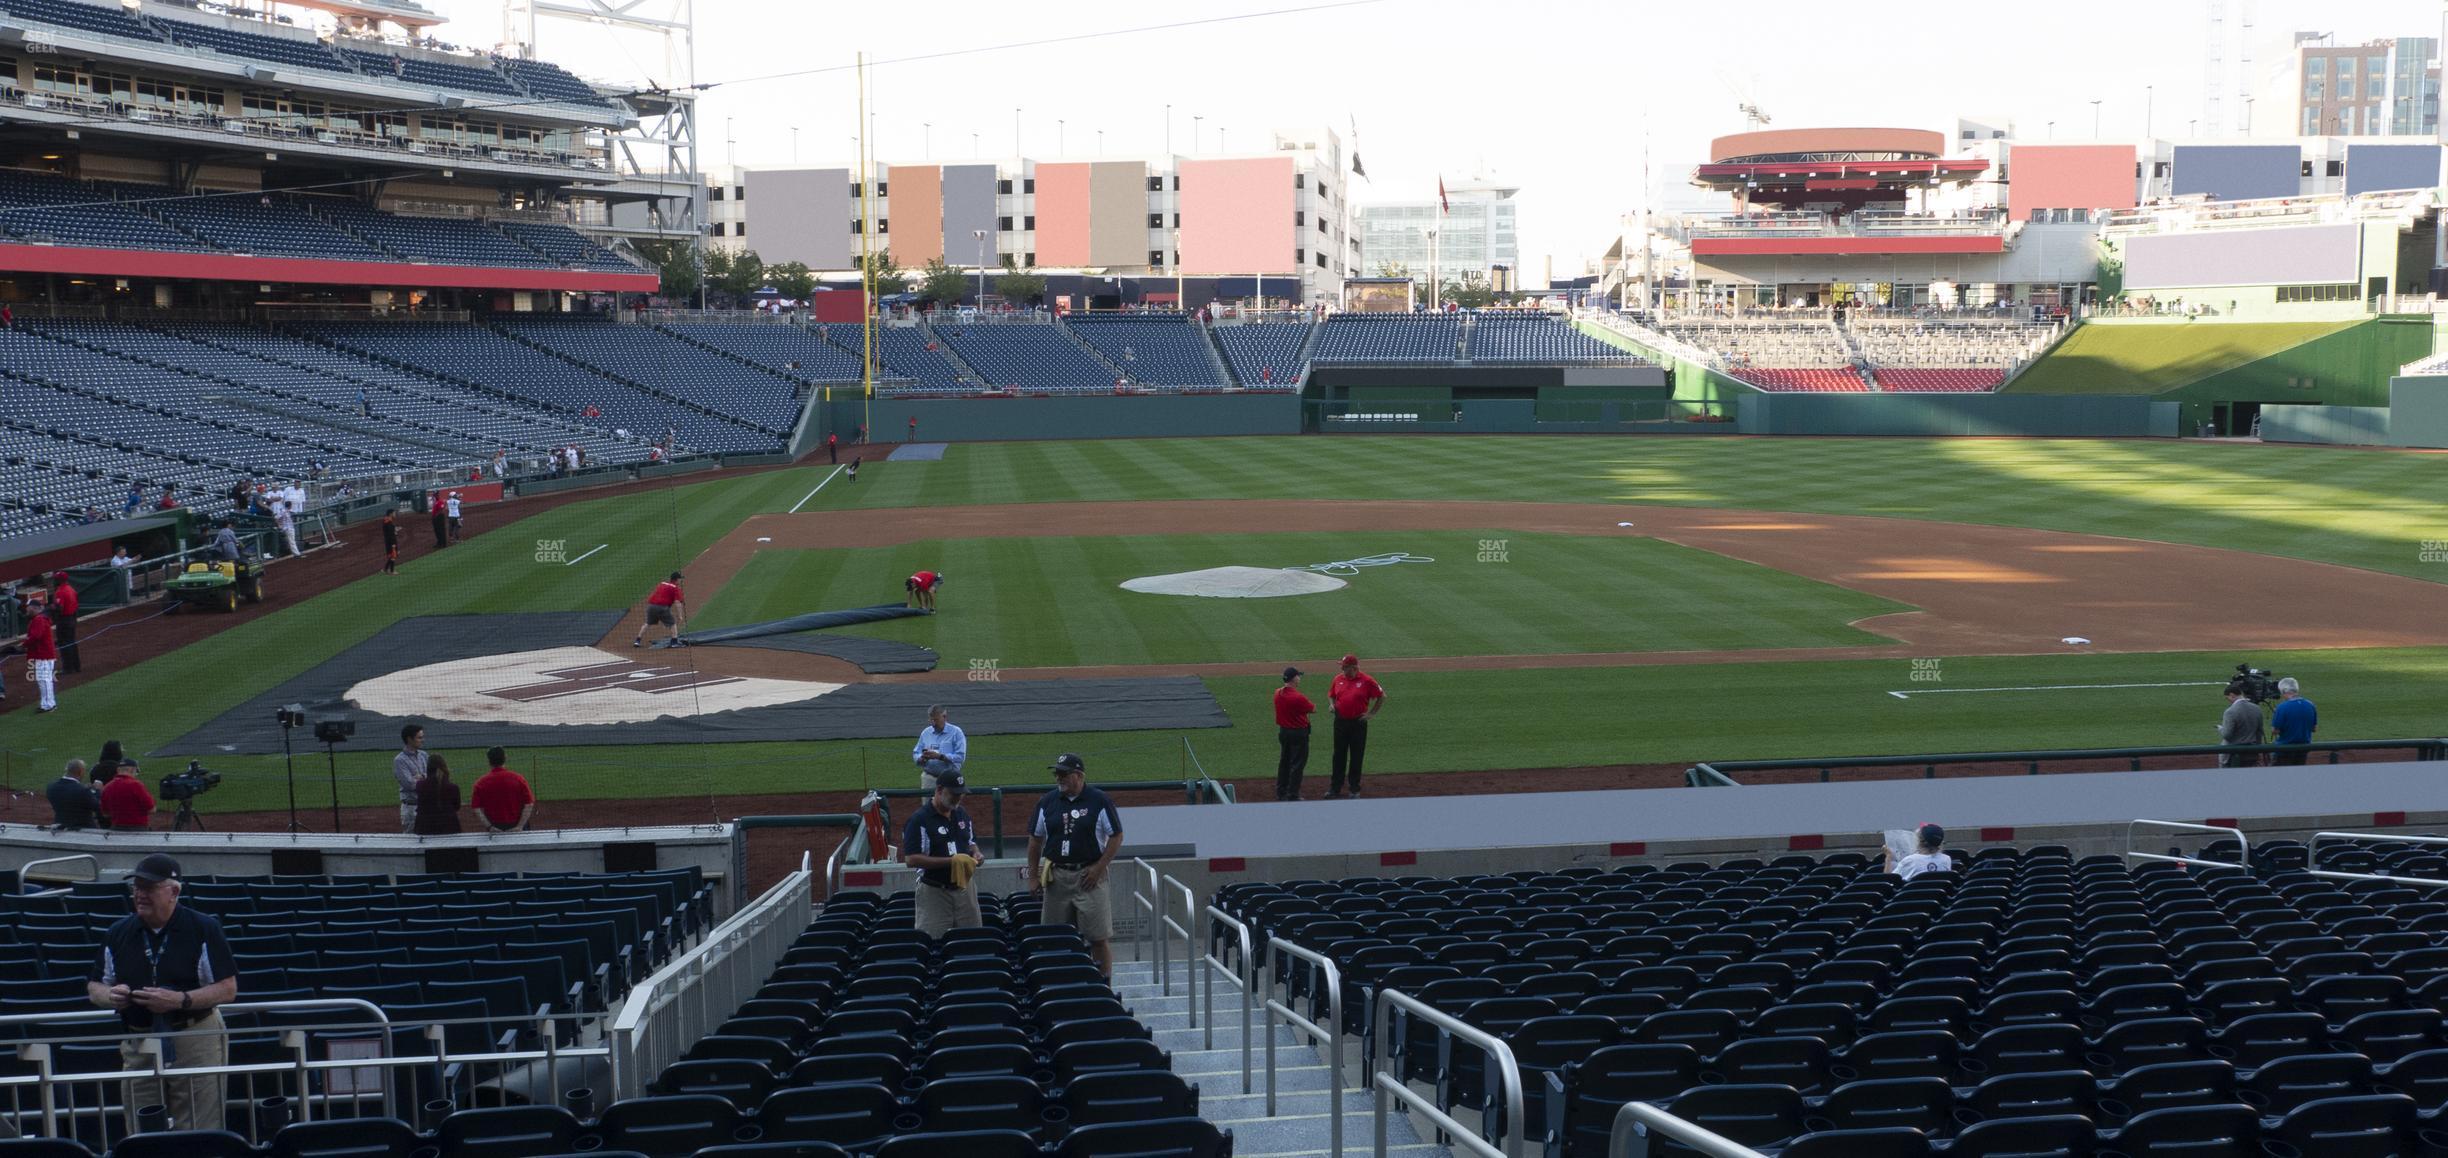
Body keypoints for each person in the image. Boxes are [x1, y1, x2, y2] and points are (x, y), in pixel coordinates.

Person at [88, 855, 237, 1133]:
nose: (140, 895)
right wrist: (111, 996)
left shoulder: (203, 927)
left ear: (174, 892)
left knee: (198, 1128)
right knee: (141, 1126)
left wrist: (181, 1000)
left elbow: (228, 989)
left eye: (149, 888)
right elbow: (95, 986)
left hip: (193, 1036)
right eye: (137, 888)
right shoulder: (119, 932)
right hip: (139, 1040)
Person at [1028, 753, 1125, 978]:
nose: (1058, 778)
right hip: (1057, 877)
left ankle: (1103, 988)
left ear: (1079, 775)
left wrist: (1099, 868)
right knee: (1054, 938)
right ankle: (1060, 984)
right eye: (1057, 774)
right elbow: (1035, 840)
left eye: (1063, 774)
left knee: (1098, 938)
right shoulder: (1047, 802)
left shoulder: (1099, 800)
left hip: (1090, 877)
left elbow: (1116, 836)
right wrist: (1033, 876)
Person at [902, 771, 982, 938]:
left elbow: (970, 841)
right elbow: (911, 859)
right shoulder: (919, 820)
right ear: (939, 790)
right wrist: (951, 862)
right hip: (934, 892)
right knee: (933, 941)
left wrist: (976, 853)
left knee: (972, 941)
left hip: (965, 890)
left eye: (961, 794)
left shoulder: (962, 814)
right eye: (954, 794)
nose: (958, 798)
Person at [1326, 654, 1385, 799]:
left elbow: (1382, 696)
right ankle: (1335, 788)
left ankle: (1354, 788)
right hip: (1340, 722)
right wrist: (1332, 705)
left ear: (1354, 668)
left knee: (1356, 756)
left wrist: (1371, 714)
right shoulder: (1338, 679)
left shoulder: (1367, 680)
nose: (1342, 668)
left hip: (1358, 723)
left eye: (1344, 666)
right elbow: (1331, 694)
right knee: (1338, 755)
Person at [1273, 666, 1314, 801]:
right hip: (1298, 734)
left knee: (1284, 762)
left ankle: (1281, 791)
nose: (1299, 678)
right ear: (1294, 678)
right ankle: (1292, 794)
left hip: (1284, 732)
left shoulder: (1277, 693)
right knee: (1297, 764)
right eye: (1298, 676)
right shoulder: (1298, 697)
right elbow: (1312, 708)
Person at [472, 748, 535, 832]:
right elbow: (529, 804)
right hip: (516, 824)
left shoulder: (480, 783)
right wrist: (520, 826)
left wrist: (489, 827)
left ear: (489, 761)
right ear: (505, 759)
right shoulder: (518, 779)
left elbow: (476, 808)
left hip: (495, 826)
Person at [912, 705, 967, 793]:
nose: (933, 723)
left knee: (949, 805)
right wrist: (921, 758)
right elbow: (916, 752)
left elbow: (960, 757)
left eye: (936, 720)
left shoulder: (956, 732)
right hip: (929, 778)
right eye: (931, 720)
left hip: (950, 779)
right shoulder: (926, 733)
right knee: (928, 806)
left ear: (944, 717)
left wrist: (940, 756)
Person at [2270, 677, 2317, 766]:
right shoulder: (2310, 705)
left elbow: (2275, 731)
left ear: (2283, 691)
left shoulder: (2282, 707)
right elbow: (2314, 729)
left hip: (2285, 749)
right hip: (2303, 749)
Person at [2218, 679, 2265, 768]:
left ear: (2232, 695)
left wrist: (2220, 729)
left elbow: (2227, 735)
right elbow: (2259, 732)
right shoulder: (2257, 708)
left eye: (2227, 697)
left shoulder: (2230, 711)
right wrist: (2257, 750)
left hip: (2234, 754)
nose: (2228, 700)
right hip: (2251, 753)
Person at [24, 590, 57, 713]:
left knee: (44, 680)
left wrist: (23, 645)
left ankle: (48, 705)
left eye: (28, 608)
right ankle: (48, 703)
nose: (27, 610)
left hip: (43, 655)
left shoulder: (39, 619)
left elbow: (36, 636)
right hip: (43, 654)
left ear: (34, 608)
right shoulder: (39, 619)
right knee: (44, 680)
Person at [413, 754, 462, 835]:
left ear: (428, 768)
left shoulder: (420, 785)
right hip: (449, 828)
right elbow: (456, 807)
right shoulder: (453, 787)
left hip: (425, 828)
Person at [634, 572, 685, 648]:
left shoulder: (662, 583)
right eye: (680, 579)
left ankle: (637, 640)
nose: (681, 580)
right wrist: (680, 615)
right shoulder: (675, 588)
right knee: (673, 624)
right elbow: (677, 602)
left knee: (647, 623)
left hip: (651, 606)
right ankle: (674, 642)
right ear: (677, 579)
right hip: (662, 608)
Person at [393, 724, 428, 833]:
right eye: (419, 737)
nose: (423, 740)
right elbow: (409, 784)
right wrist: (425, 778)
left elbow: (433, 776)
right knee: (412, 840)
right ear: (409, 739)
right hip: (411, 808)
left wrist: (421, 777)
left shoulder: (424, 755)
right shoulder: (399, 760)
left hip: (426, 805)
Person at [1886, 823, 1953, 880]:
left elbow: (1888, 881)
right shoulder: (1946, 860)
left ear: (1919, 841)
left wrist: (1888, 857)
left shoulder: (1909, 860)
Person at [99, 762, 155, 829]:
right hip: (137, 829)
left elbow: (105, 814)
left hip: (116, 828)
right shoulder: (136, 785)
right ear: (132, 770)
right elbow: (151, 809)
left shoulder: (107, 787)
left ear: (118, 771)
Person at [48, 760, 99, 829]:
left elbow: (68, 793)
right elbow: (97, 807)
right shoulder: (82, 790)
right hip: (83, 830)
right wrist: (97, 791)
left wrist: (85, 789)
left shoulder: (51, 787)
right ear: (80, 772)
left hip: (60, 827)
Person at [49, 571, 79, 675]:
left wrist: (52, 608)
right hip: (72, 618)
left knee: (64, 644)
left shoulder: (60, 591)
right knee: (72, 642)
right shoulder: (71, 589)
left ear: (59, 580)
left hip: (64, 620)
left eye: (55, 579)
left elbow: (59, 608)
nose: (54, 581)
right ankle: (76, 666)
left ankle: (68, 668)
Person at [380, 510, 399, 575]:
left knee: (392, 555)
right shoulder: (388, 522)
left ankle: (385, 569)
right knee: (393, 555)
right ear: (390, 514)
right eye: (394, 513)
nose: (395, 514)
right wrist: (393, 543)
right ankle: (392, 571)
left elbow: (389, 531)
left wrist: (395, 530)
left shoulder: (387, 520)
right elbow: (390, 533)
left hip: (388, 540)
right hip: (391, 541)